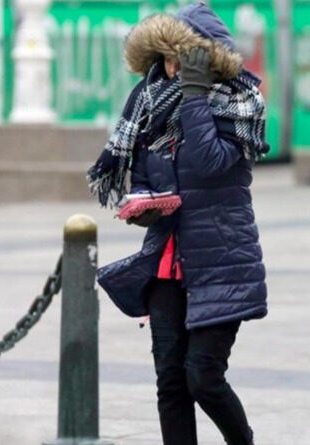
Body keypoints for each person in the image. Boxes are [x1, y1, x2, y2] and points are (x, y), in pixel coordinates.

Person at [87, 3, 268, 444]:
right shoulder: (152, 105)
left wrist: (193, 95)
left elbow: (208, 163)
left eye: (182, 59)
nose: (171, 69)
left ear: (205, 60)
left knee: (202, 376)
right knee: (170, 381)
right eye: (167, 59)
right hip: (166, 262)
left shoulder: (238, 103)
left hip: (221, 261)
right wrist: (142, 203)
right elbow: (144, 176)